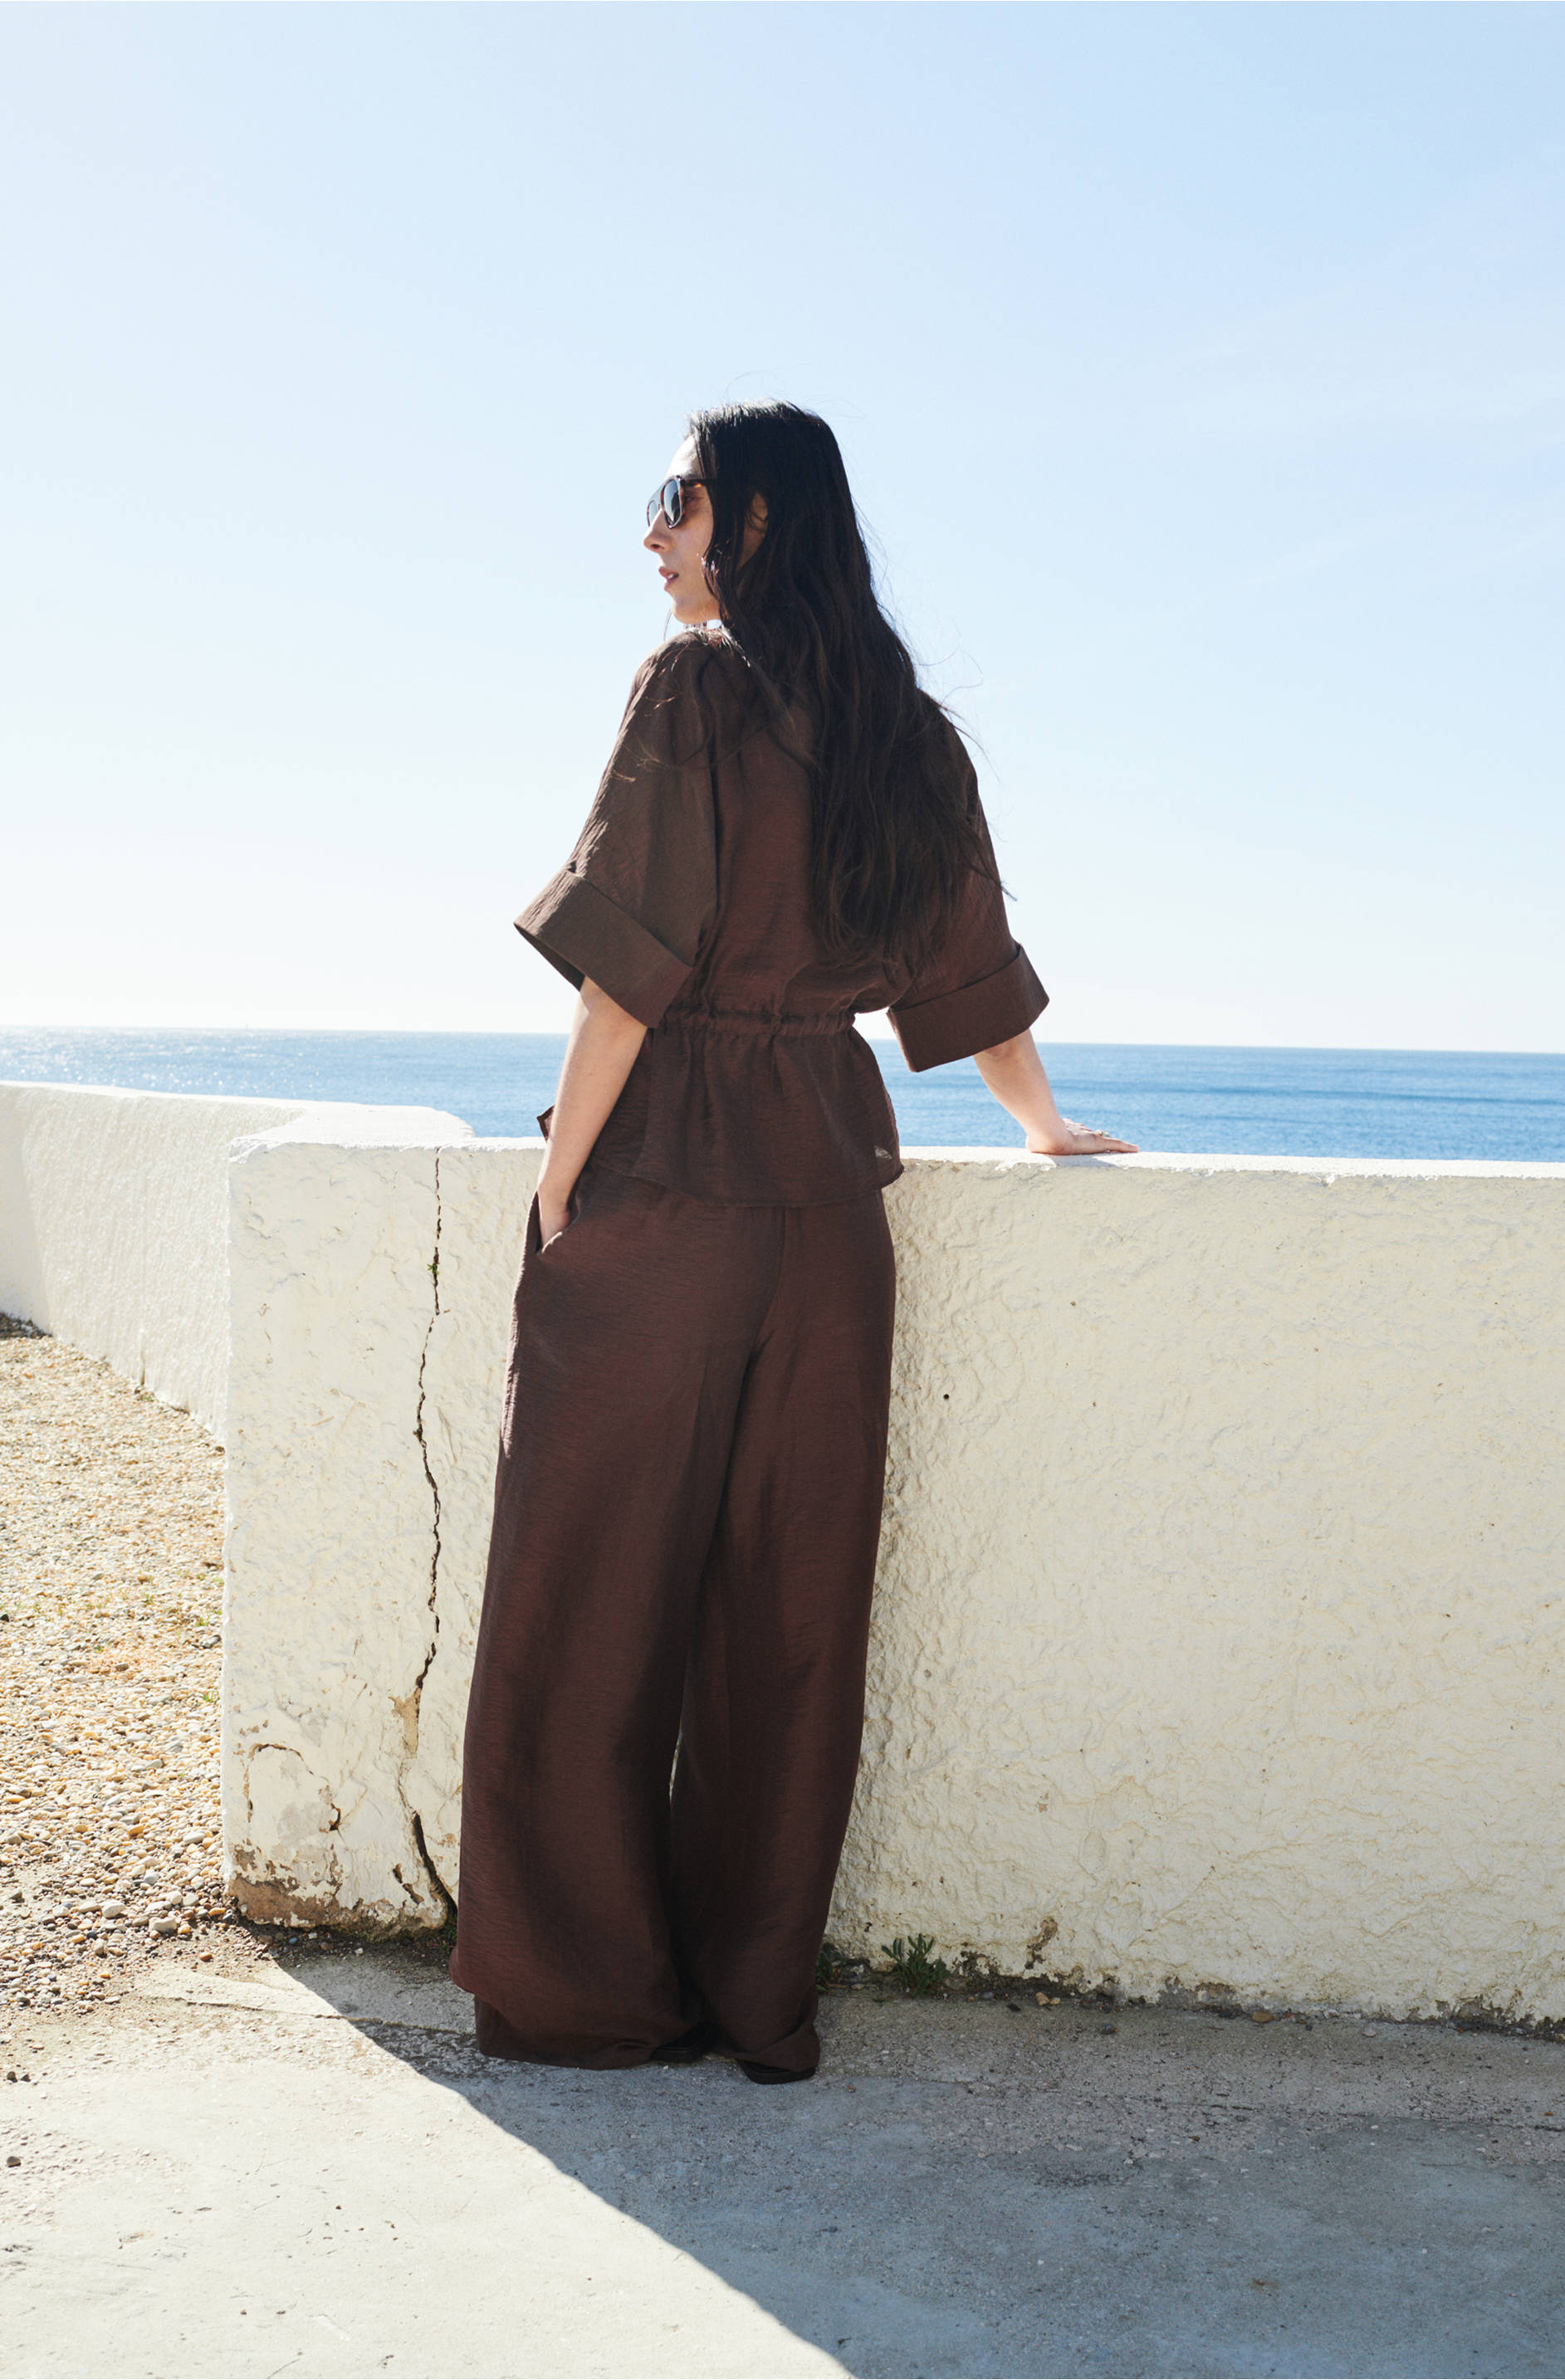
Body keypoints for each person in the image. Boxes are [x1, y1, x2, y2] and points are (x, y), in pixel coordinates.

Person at [447, 401, 1134, 2082]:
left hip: (670, 1183)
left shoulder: (696, 691)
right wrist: (1038, 1125)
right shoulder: (909, 729)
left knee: (585, 1590)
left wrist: (561, 1190)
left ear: (747, 521)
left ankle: (588, 1993)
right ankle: (759, 2002)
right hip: (831, 1206)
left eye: (673, 501)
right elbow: (964, 962)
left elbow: (631, 972)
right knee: (790, 1611)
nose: (653, 532)